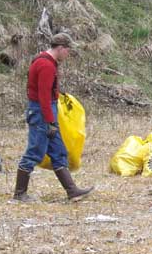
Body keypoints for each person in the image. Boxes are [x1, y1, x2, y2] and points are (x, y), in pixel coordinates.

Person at [13, 33, 94, 202]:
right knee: (34, 152)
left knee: (58, 152)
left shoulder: (45, 61)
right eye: (67, 51)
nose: (68, 54)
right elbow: (43, 96)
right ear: (60, 48)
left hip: (46, 111)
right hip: (42, 113)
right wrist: (50, 121)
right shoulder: (46, 65)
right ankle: (19, 194)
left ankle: (72, 191)